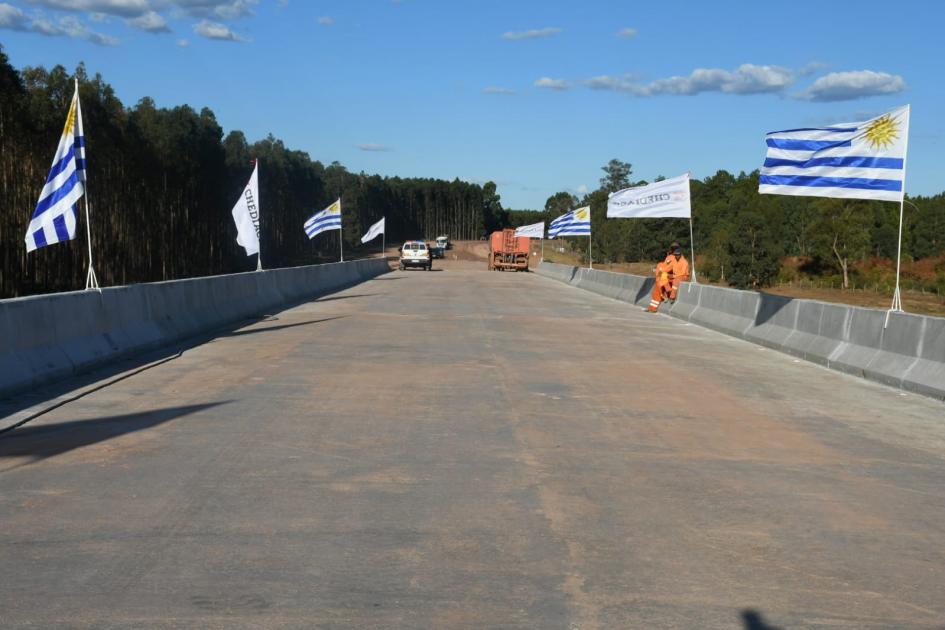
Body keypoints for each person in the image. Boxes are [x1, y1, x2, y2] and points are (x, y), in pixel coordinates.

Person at [646, 245, 690, 312]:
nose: (676, 256)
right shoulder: (673, 260)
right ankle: (668, 290)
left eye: (677, 255)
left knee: (675, 281)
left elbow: (682, 273)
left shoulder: (684, 262)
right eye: (675, 255)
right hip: (672, 276)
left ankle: (672, 296)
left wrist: (672, 276)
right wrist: (661, 273)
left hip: (682, 276)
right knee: (664, 277)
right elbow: (668, 268)